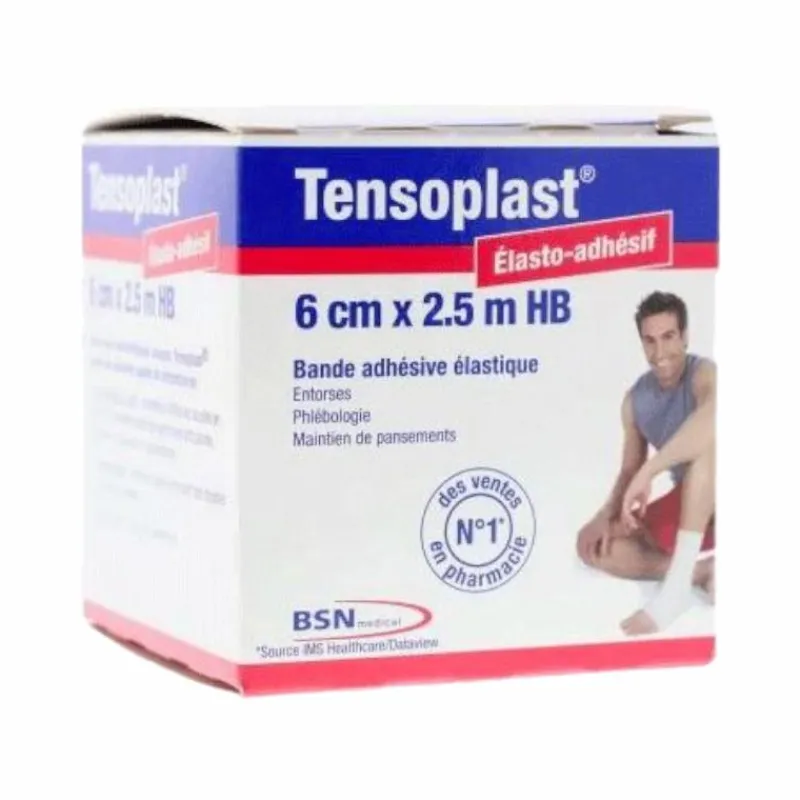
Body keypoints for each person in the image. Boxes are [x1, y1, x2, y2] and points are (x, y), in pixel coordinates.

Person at [576, 290, 716, 636]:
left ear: (684, 336)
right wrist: (605, 517)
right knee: (593, 546)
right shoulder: (635, 401)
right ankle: (700, 572)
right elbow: (630, 468)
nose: (660, 352)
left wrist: (650, 472)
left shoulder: (705, 374)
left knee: (710, 447)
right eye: (649, 341)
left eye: (668, 337)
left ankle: (675, 589)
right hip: (696, 506)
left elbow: (713, 420)